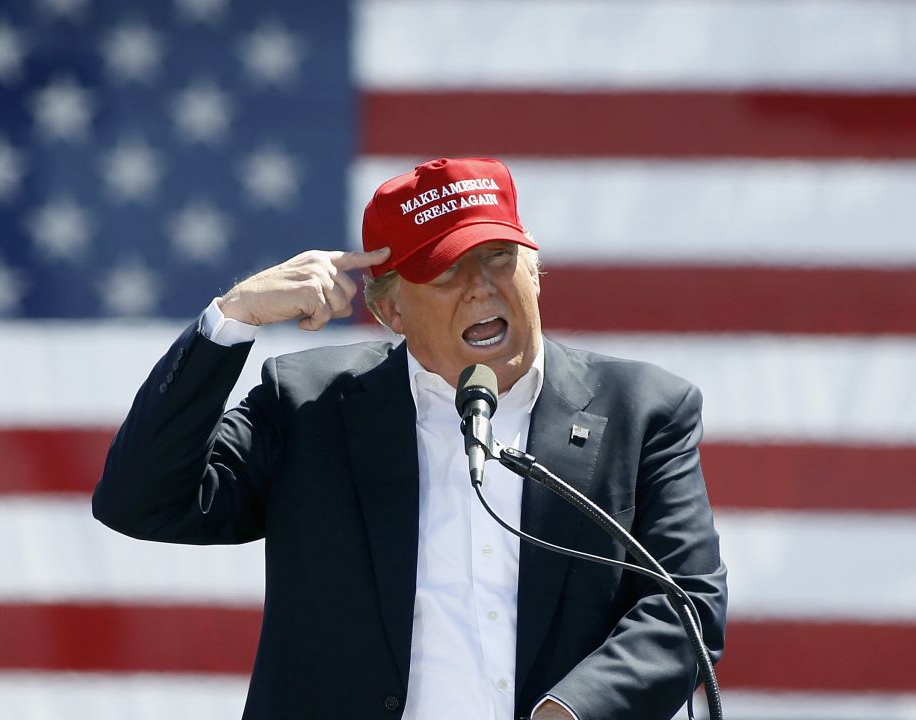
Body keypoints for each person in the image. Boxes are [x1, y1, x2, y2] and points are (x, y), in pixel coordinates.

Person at [93, 157, 727, 719]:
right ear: (389, 310)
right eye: (447, 270)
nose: (482, 286)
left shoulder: (642, 410)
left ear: (535, 271)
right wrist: (230, 320)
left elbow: (687, 603)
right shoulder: (310, 404)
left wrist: (574, 711)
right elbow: (140, 499)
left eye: (498, 258)